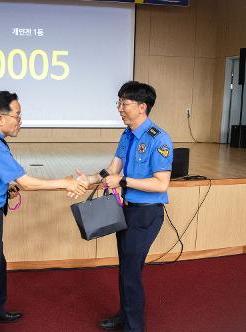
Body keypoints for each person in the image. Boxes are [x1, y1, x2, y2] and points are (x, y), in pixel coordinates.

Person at [0, 91, 87, 332]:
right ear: (0, 118)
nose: (20, 121)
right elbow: (27, 182)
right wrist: (65, 183)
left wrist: (4, 190)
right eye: (17, 115)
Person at [76, 81, 173, 332]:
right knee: (126, 269)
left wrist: (124, 181)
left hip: (145, 214)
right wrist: (89, 179)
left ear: (142, 107)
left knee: (131, 273)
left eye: (124, 103)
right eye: (118, 102)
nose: (119, 108)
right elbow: (112, 169)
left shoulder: (158, 139)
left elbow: (161, 184)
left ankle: (134, 326)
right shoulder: (127, 134)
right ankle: (124, 316)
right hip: (126, 210)